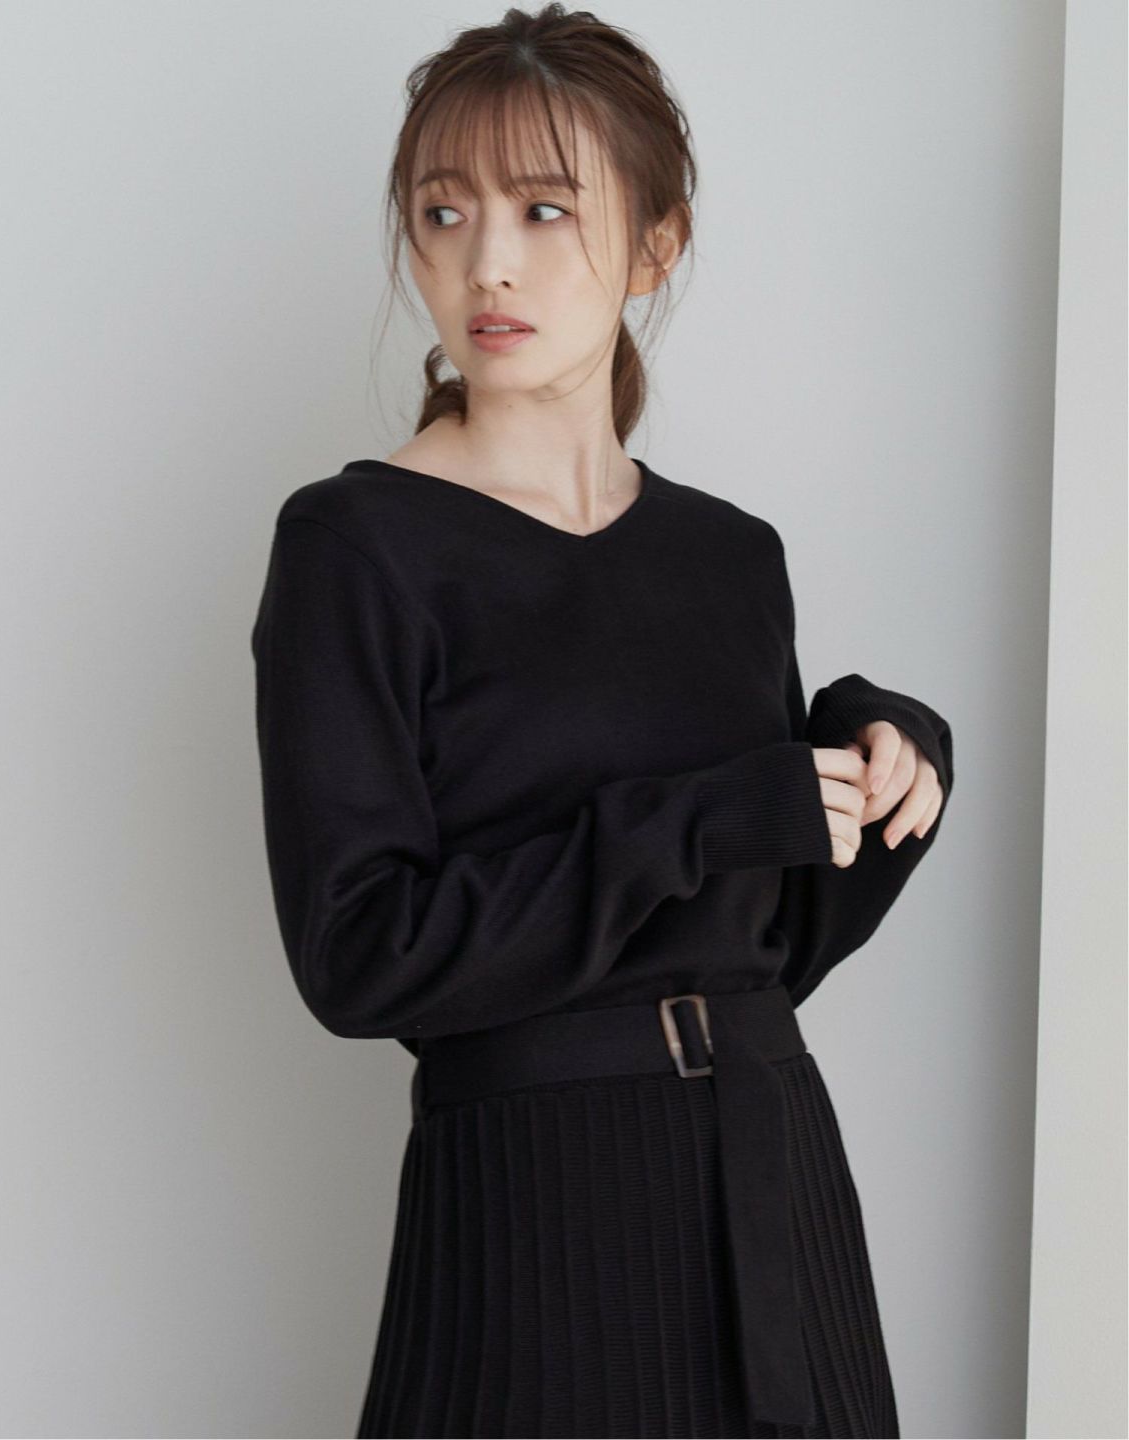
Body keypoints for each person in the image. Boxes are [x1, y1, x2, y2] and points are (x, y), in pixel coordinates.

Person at [250, 6, 953, 1437]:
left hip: (774, 1182)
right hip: (534, 1204)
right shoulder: (358, 548)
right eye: (444, 212)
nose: (487, 264)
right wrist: (691, 820)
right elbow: (361, 955)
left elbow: (771, 944)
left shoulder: (730, 557)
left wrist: (873, 764)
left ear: (655, 246)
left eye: (545, 209)